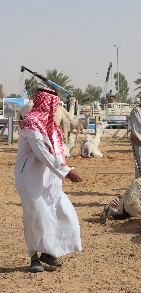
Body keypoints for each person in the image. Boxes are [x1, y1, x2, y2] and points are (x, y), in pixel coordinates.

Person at [14, 88, 83, 273]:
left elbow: (55, 153)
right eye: (53, 103)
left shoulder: (50, 126)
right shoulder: (31, 124)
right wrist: (67, 171)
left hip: (50, 180)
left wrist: (63, 171)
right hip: (30, 180)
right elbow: (42, 153)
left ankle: (48, 252)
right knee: (35, 219)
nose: (55, 107)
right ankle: (33, 256)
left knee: (62, 215)